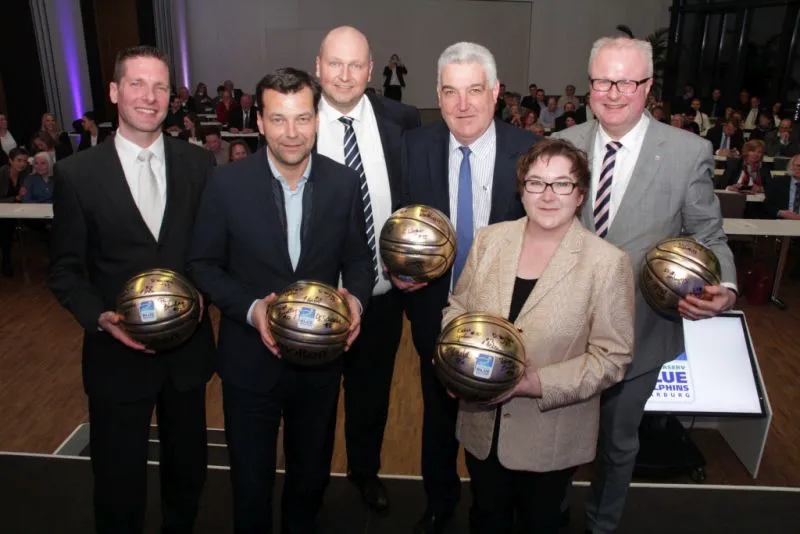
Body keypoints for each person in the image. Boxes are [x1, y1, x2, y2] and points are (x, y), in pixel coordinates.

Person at [552, 36, 737, 534]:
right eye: (602, 81)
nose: (613, 93)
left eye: (626, 82)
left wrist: (728, 287)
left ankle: (602, 525)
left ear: (649, 87)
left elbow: (709, 236)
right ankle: (549, 515)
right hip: (565, 332)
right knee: (558, 438)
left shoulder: (686, 152)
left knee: (617, 444)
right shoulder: (562, 145)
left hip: (641, 330)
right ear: (589, 84)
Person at [187, 67, 373, 534]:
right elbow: (204, 265)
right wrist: (253, 310)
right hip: (249, 365)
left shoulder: (344, 183)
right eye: (279, 119)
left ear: (316, 118)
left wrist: (356, 301)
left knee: (309, 483)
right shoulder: (226, 184)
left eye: (302, 118)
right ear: (260, 122)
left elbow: (358, 259)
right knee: (250, 487)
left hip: (320, 364)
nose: (292, 132)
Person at [47, 46, 217, 534]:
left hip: (186, 356)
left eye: (160, 86)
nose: (150, 96)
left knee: (188, 474)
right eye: (138, 84)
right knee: (118, 482)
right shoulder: (76, 175)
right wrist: (100, 316)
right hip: (115, 357)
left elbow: (211, 251)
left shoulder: (199, 165)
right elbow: (65, 270)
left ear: (172, 97)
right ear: (115, 92)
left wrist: (203, 289)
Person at [444, 138, 634, 534]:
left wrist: (538, 383)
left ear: (580, 194)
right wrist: (452, 361)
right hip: (481, 427)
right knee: (486, 516)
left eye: (561, 184)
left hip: (551, 435)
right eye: (536, 182)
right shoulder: (489, 240)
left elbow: (612, 358)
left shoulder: (607, 263)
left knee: (542, 522)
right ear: (522, 189)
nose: (548, 195)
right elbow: (458, 308)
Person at [398, 41, 538, 534]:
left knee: (498, 421)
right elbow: (398, 228)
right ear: (438, 93)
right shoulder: (412, 149)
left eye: (474, 90)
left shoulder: (529, 152)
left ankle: (493, 508)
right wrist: (397, 269)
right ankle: (439, 502)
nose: (463, 104)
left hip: (509, 319)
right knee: (437, 417)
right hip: (433, 312)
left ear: (496, 92)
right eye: (451, 91)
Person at [313, 25, 421, 514]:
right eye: (335, 64)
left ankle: (365, 471)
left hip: (381, 293)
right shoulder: (296, 121)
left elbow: (416, 200)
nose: (345, 74)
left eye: (356, 65)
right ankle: (309, 480)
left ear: (371, 70)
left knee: (371, 395)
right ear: (318, 67)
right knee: (312, 400)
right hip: (314, 298)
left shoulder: (402, 120)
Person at [0, 147, 29, 276]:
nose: (22, 164)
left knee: (9, 225)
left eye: (24, 161)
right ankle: (6, 259)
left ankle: (7, 259)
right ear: (10, 161)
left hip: (16, 211)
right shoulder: (2, 174)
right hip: (3, 212)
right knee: (5, 226)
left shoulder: (25, 174)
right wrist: (15, 198)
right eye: (18, 160)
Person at [763, 154, 800, 220]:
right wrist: (780, 213)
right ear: (791, 166)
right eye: (798, 165)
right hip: (783, 221)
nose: (799, 169)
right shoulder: (778, 182)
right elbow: (766, 205)